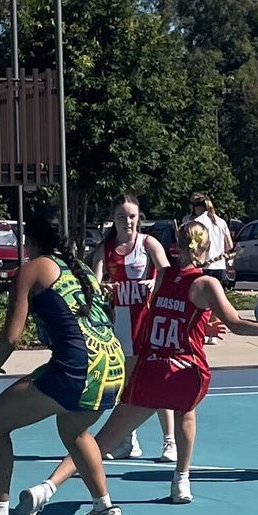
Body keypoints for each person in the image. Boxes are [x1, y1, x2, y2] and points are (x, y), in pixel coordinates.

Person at [17, 222, 258, 510]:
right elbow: (236, 324)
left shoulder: (163, 276)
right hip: (183, 368)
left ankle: (47, 488)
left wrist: (199, 328)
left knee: (100, 441)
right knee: (186, 415)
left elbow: (162, 318)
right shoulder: (205, 284)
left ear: (176, 246)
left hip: (152, 367)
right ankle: (181, 480)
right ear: (206, 248)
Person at [0, 202, 127, 515]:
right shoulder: (80, 269)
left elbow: (11, 336)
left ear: (29, 240)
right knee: (74, 430)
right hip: (113, 369)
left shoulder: (31, 270)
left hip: (78, 369)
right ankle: (104, 509)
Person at [97, 195, 172, 459]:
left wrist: (155, 283)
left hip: (148, 322)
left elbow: (167, 272)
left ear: (139, 218)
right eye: (122, 216)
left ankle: (169, 441)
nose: (127, 221)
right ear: (114, 219)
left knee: (157, 380)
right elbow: (94, 282)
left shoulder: (148, 243)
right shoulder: (106, 249)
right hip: (122, 324)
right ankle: (128, 441)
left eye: (132, 216)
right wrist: (102, 288)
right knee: (126, 384)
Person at [184, 191, 235, 284]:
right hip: (220, 266)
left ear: (198, 207)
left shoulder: (197, 222)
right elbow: (230, 245)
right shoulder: (221, 222)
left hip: (203, 266)